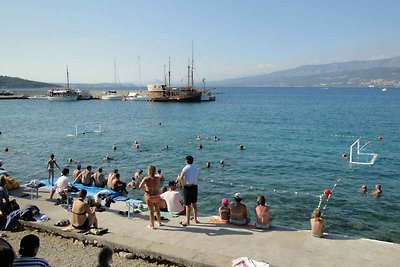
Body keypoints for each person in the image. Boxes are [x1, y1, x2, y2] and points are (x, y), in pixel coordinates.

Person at [176, 155, 199, 226]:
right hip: (195, 186)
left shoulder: (185, 168)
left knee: (188, 205)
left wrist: (182, 183)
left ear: (186, 161)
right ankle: (195, 219)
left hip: (187, 187)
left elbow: (181, 178)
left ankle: (188, 221)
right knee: (194, 204)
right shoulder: (196, 168)